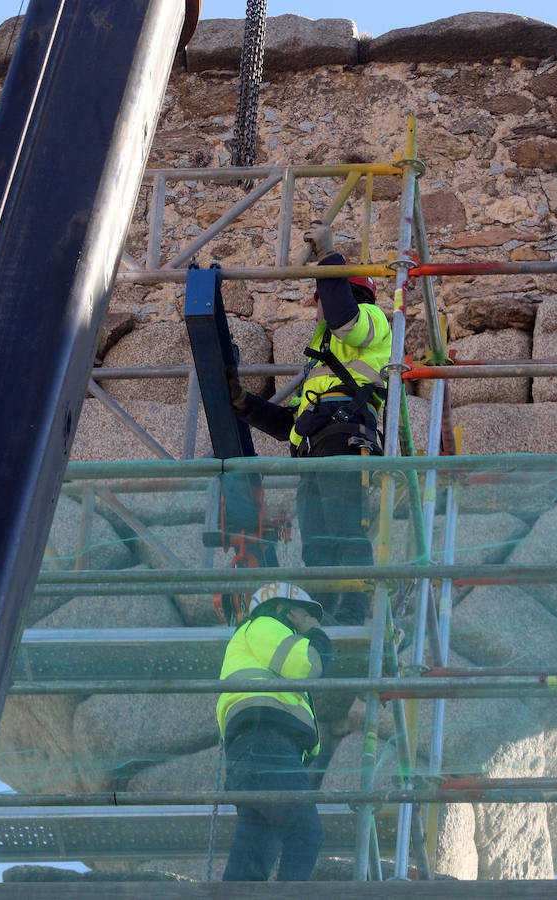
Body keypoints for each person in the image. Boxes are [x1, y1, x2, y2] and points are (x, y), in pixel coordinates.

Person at [227, 222, 393, 625]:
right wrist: (245, 403)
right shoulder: (323, 352)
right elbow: (293, 422)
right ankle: (322, 613)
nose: (315, 306)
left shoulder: (371, 320)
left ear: (343, 291)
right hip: (315, 451)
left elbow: (344, 320)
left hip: (344, 443)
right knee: (316, 545)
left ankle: (352, 615)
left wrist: (328, 258)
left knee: (344, 532)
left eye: (320, 295)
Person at [217, 581, 332, 882]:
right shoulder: (265, 625)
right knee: (306, 832)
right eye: (305, 613)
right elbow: (308, 666)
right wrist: (317, 634)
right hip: (268, 747)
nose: (309, 621)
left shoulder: (258, 642)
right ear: (285, 610)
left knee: (248, 868)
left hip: (254, 750)